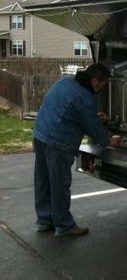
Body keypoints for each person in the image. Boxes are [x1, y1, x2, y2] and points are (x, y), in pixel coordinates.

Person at [33, 63, 113, 237]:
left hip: (40, 135)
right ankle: (64, 226)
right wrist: (109, 141)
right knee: (59, 185)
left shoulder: (65, 82)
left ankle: (44, 220)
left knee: (43, 181)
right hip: (58, 143)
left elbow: (71, 112)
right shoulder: (84, 97)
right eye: (103, 84)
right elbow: (91, 128)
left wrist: (93, 117)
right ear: (94, 81)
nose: (102, 88)